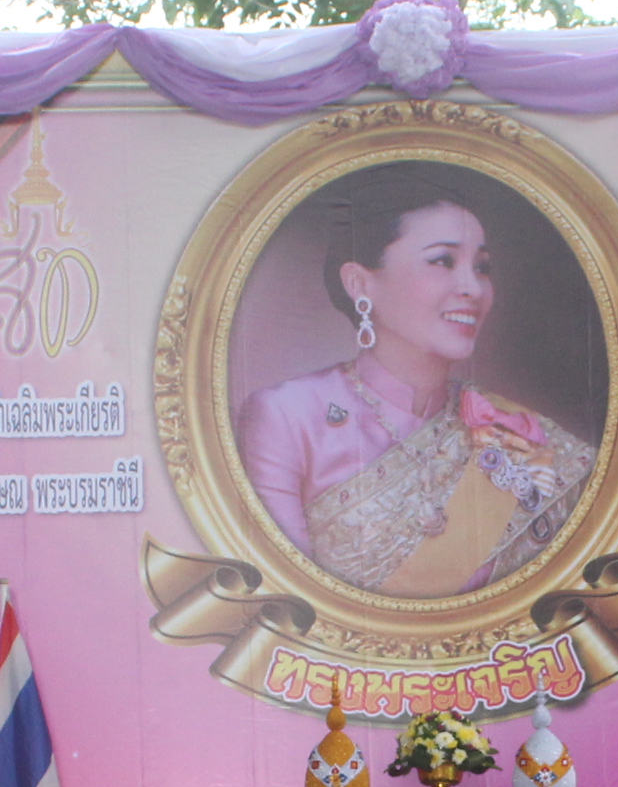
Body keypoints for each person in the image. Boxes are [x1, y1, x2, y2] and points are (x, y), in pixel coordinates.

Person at [235, 162, 597, 595]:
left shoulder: (516, 428)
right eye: (443, 261)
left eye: (482, 267)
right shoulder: (286, 417)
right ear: (359, 283)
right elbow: (288, 599)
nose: (473, 288)